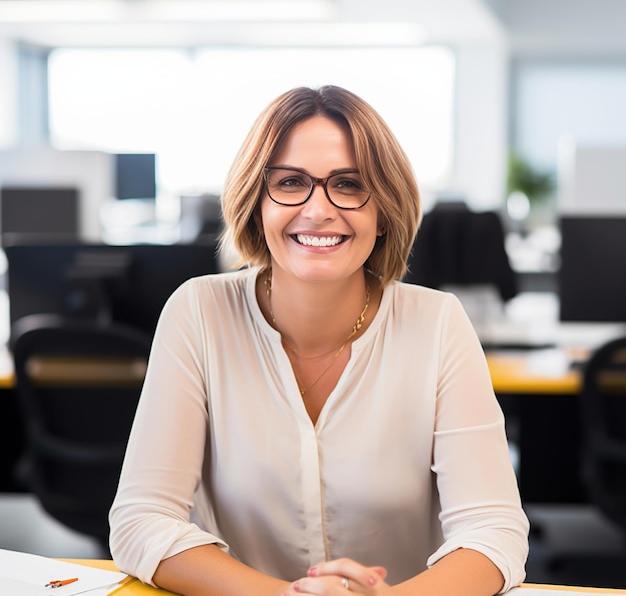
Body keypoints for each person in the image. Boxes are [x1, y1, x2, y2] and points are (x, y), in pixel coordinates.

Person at [109, 85, 529, 596]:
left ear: (384, 211)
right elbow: (140, 520)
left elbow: (494, 532)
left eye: (349, 185)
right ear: (256, 204)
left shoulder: (438, 322)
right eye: (290, 182)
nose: (319, 209)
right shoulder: (199, 312)